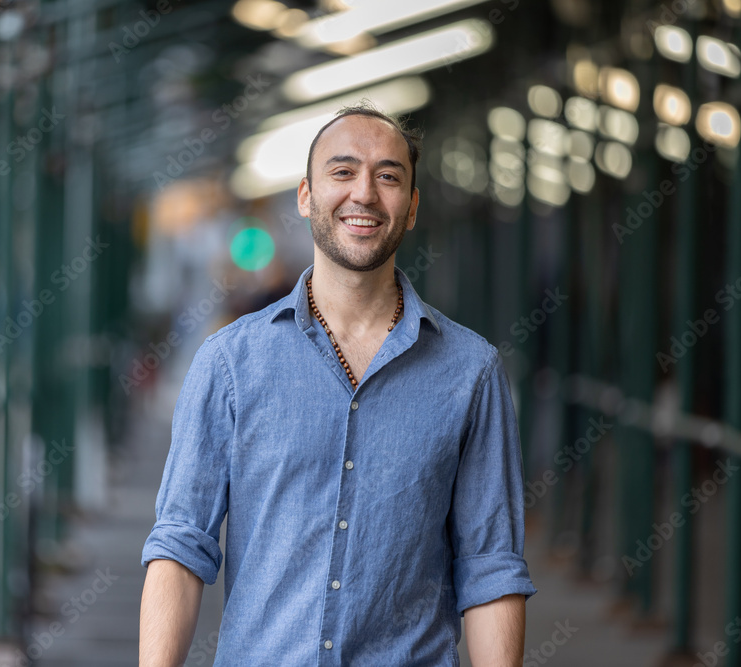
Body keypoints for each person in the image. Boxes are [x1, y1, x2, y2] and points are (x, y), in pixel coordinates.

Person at [140, 104, 536, 666]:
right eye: (343, 171)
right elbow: (181, 546)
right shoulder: (230, 362)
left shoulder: (471, 371)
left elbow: (490, 567)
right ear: (306, 196)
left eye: (389, 176)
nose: (366, 194)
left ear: (413, 206)